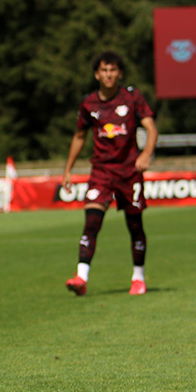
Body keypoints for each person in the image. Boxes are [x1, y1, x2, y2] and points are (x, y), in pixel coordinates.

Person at [62, 51, 158, 296]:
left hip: (129, 172)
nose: (108, 74)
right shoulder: (88, 103)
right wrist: (68, 169)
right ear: (97, 74)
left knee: (135, 226)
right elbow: (79, 136)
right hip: (102, 172)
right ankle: (81, 278)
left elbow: (151, 128)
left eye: (113, 70)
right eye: (104, 70)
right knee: (91, 222)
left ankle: (138, 278)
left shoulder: (132, 97)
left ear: (120, 73)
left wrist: (146, 153)